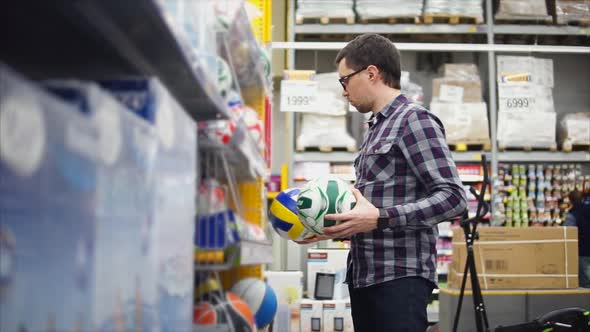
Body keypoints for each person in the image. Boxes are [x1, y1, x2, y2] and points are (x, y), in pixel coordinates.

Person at [298, 33, 467, 331]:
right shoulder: (375, 128)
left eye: (344, 81)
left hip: (399, 277)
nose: (344, 92)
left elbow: (453, 198)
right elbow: (371, 209)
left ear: (371, 73)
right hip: (365, 275)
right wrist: (332, 224)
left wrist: (380, 218)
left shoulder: (414, 120)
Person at [564, 189, 590, 288]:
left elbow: (567, 232)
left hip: (582, 251)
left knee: (586, 283)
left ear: (570, 200)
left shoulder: (573, 214)